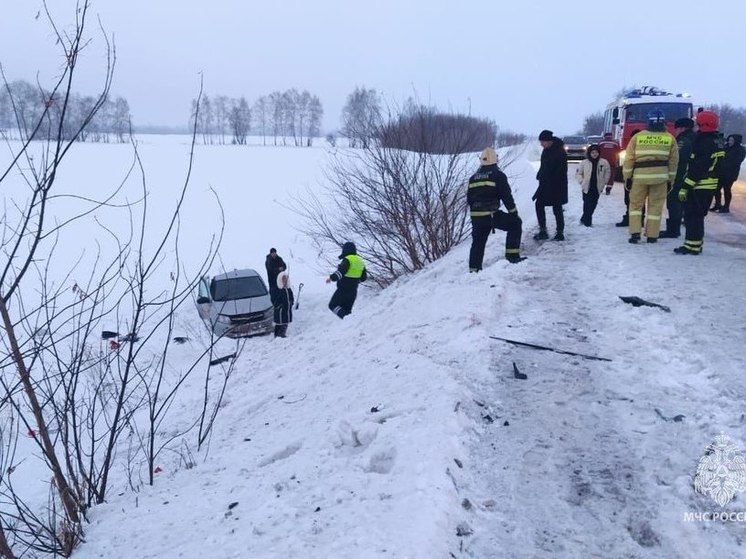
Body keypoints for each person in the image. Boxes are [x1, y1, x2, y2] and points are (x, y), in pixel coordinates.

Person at [622, 110, 678, 244]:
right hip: (660, 178)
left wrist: (627, 177)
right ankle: (652, 235)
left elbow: (629, 159)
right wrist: (670, 180)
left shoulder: (638, 137)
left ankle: (635, 233)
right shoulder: (670, 138)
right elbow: (673, 162)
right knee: (655, 207)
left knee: (635, 206)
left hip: (640, 178)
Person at [674, 111, 726, 255]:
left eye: (697, 124)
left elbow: (697, 168)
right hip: (710, 184)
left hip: (699, 185)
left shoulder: (703, 142)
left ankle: (692, 246)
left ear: (704, 125)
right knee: (697, 216)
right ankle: (694, 244)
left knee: (693, 216)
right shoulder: (718, 140)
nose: (695, 127)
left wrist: (686, 186)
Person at [467, 147, 525, 271]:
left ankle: (474, 269)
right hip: (491, 215)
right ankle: (512, 257)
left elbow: (469, 199)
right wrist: (513, 213)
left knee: (477, 243)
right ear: (495, 160)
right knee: (515, 224)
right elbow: (506, 196)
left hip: (476, 216)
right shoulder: (498, 175)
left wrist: (475, 213)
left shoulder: (473, 177)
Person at [660, 118, 696, 238]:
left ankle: (673, 230)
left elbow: (678, 160)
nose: (675, 131)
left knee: (674, 203)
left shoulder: (683, 141)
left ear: (681, 128)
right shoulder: (695, 138)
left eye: (676, 129)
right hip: (691, 177)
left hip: (680, 177)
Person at [533, 130, 568, 241]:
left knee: (557, 208)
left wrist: (551, 179)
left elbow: (562, 170)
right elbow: (543, 165)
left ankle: (560, 233)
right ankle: (543, 230)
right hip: (545, 184)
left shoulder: (560, 151)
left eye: (542, 141)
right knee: (539, 205)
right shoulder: (546, 150)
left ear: (549, 141)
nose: (541, 144)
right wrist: (540, 174)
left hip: (557, 185)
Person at [326, 241, 367, 319]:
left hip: (343, 290)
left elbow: (341, 272)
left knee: (332, 305)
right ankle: (349, 322)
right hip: (353, 291)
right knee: (347, 310)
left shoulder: (347, 259)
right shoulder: (361, 261)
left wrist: (331, 278)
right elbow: (363, 278)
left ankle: (346, 318)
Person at [575, 144, 611, 227]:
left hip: (597, 187)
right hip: (586, 187)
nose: (594, 154)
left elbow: (607, 172)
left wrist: (604, 182)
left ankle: (584, 218)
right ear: (589, 153)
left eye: (596, 152)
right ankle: (588, 222)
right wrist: (581, 182)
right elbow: (578, 173)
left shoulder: (604, 162)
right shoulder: (584, 163)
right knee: (587, 204)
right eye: (592, 152)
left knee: (593, 204)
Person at [711, 134, 745, 213]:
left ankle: (726, 207)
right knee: (716, 189)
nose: (730, 142)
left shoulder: (740, 150)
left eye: (732, 140)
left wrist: (725, 164)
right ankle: (717, 204)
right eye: (729, 140)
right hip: (720, 172)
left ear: (736, 141)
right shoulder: (725, 147)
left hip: (730, 174)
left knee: (727, 189)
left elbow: (737, 161)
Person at [615, 129, 641, 227]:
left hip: (632, 178)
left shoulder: (631, 149)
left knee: (631, 200)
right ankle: (639, 219)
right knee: (637, 201)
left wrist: (626, 178)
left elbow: (627, 164)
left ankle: (631, 220)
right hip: (639, 177)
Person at [272, 271, 294, 338]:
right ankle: (277, 335)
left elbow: (291, 297)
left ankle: (283, 334)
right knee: (279, 323)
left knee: (285, 322)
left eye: (286, 278)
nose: (285, 280)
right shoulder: (277, 289)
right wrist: (279, 305)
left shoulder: (288, 289)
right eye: (283, 279)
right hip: (280, 311)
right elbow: (274, 300)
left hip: (287, 310)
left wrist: (291, 302)